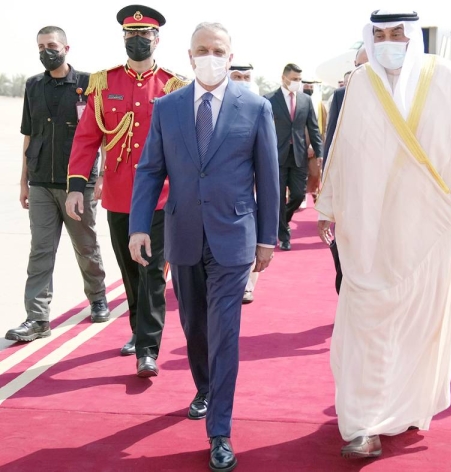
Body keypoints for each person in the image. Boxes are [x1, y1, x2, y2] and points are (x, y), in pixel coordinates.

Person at [315, 9, 451, 459]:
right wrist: (329, 206)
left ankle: (405, 409)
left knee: (418, 323)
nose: (390, 41)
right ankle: (363, 425)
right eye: (381, 34)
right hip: (368, 226)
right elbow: (341, 150)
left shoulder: (446, 78)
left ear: (413, 36)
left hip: (429, 223)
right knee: (367, 321)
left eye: (398, 33)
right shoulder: (360, 83)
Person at [128, 22, 279, 472]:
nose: (210, 56)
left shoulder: (254, 107)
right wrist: (139, 225)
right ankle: (205, 386)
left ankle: (220, 430)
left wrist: (267, 238)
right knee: (195, 326)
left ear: (230, 56)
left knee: (225, 332)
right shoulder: (168, 107)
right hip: (184, 234)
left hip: (234, 238)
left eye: (218, 50)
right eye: (202, 50)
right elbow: (150, 170)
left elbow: (267, 179)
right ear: (190, 56)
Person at [65, 4, 189, 376]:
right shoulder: (104, 83)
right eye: (131, 36)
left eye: (144, 35)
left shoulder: (173, 86)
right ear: (124, 39)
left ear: (157, 39)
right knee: (130, 270)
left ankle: (147, 349)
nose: (137, 41)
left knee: (152, 272)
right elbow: (87, 139)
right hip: (119, 194)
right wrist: (76, 187)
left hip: (159, 198)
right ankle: (138, 332)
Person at [5, 26, 109, 343]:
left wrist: (102, 175)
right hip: (40, 183)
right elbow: (29, 134)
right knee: (40, 251)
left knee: (86, 246)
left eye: (51, 45)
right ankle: (37, 318)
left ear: (66, 48)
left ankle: (98, 297)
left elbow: (101, 133)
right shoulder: (33, 86)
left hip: (77, 184)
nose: (46, 50)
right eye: (41, 46)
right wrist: (23, 181)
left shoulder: (88, 84)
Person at [322, 46, 368, 294]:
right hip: (350, 193)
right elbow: (331, 147)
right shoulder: (342, 96)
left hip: (390, 198)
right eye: (360, 67)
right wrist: (326, 199)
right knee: (346, 256)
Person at [264, 64, 323, 251]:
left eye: (299, 79)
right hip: (276, 156)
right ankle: (284, 235)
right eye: (294, 79)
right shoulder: (269, 100)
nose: (297, 82)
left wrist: (319, 152)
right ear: (284, 78)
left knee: (298, 195)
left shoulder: (305, 100)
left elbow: (313, 127)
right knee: (279, 197)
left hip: (299, 155)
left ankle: (282, 221)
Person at [228, 61, 260, 304]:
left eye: (245, 76)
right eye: (236, 75)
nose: (241, 80)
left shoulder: (259, 106)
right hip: (226, 188)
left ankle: (248, 284)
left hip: (253, 187)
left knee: (251, 238)